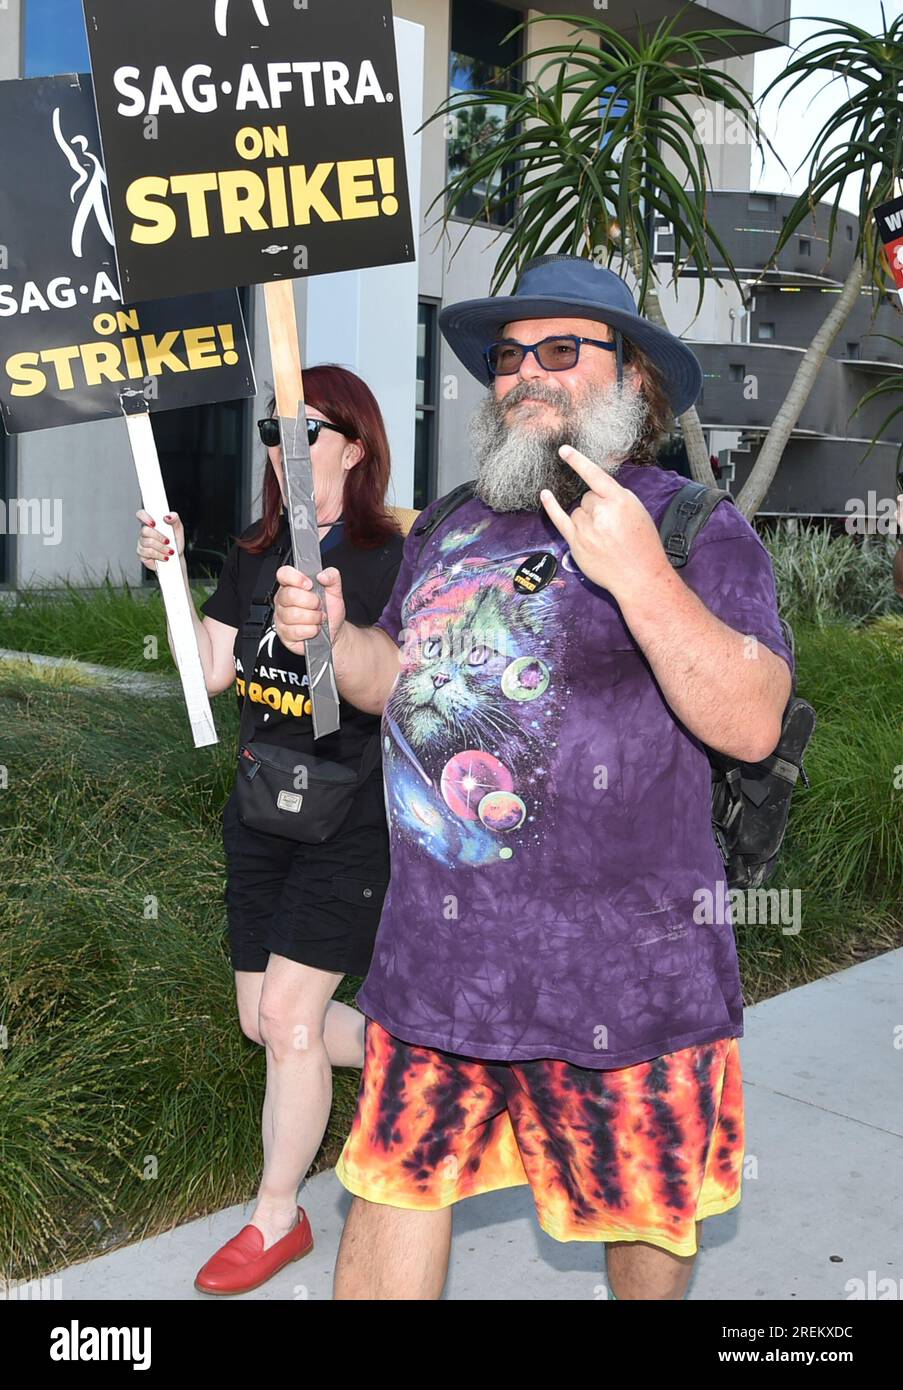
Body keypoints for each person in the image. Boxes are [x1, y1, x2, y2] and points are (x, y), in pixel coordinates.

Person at [274, 256, 794, 1301]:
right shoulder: (450, 522)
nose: (524, 375)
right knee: (388, 1189)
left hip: (627, 985)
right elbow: (392, 679)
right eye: (509, 356)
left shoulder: (695, 528)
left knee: (646, 1213)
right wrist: (335, 638)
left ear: (633, 379)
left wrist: (640, 573)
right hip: (437, 975)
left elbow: (750, 720)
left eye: (562, 350)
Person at [136, 364, 404, 1295]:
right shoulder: (255, 550)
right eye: (271, 433)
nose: (285, 451)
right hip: (259, 810)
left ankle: (276, 1217)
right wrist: (174, 580)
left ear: (356, 444)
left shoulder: (387, 555)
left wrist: (322, 633)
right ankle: (434, 1055)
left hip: (351, 816)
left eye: (310, 431)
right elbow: (210, 670)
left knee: (291, 1021)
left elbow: (399, 681)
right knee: (264, 1023)